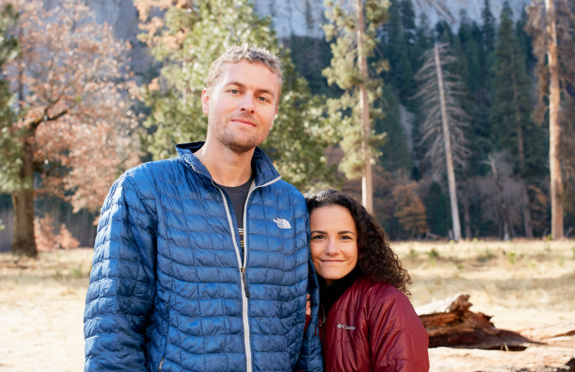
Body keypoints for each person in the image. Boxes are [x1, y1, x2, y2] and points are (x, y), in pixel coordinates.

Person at [83, 44, 322, 372]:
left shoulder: (290, 203)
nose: (248, 105)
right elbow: (113, 325)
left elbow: (303, 334)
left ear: (274, 113)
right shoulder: (145, 189)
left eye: (263, 97)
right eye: (235, 90)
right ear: (207, 99)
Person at [305, 190, 429, 371]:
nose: (332, 249)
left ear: (361, 243)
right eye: (319, 237)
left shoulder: (387, 304)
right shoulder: (296, 303)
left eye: (345, 237)